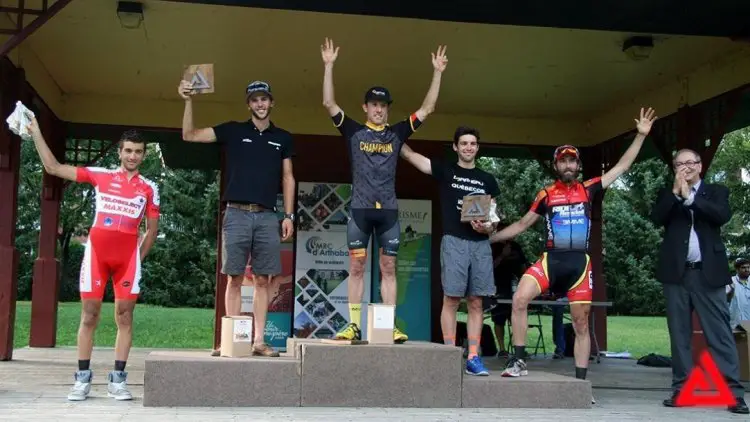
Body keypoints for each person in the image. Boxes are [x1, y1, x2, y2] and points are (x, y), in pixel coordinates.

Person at [489, 108, 657, 389]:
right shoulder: (545, 194)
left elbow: (622, 167)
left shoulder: (589, 188)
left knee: (580, 324)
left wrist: (640, 136)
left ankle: (581, 384)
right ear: (556, 166)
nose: (567, 165)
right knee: (519, 299)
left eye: (572, 161)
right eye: (562, 161)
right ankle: (518, 361)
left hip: (579, 265)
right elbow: (521, 224)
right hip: (550, 260)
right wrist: (489, 240)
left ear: (578, 166)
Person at [320, 37, 447, 343]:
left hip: (388, 211)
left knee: (389, 267)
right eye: (374, 104)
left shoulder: (398, 132)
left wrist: (438, 72)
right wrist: (328, 66)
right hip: (360, 210)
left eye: (383, 105)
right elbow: (329, 104)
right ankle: (352, 325)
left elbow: (428, 109)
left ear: (388, 109)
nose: (379, 110)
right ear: (366, 107)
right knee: (357, 265)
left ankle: (389, 326)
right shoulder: (352, 130)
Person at [26, 119, 159, 402]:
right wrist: (37, 131)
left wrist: (137, 258)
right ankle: (82, 379)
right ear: (119, 153)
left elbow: (152, 231)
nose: (132, 156)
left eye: (138, 151)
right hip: (97, 253)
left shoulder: (150, 188)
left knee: (125, 316)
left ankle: (118, 380)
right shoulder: (101, 176)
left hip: (128, 259)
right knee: (89, 315)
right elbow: (53, 168)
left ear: (144, 155)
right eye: (128, 151)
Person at [178, 78, 296, 357]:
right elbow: (190, 134)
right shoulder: (232, 130)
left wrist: (288, 215)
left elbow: (288, 178)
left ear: (272, 102)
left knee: (263, 280)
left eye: (264, 99)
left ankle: (258, 341)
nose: (260, 104)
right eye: (255, 99)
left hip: (268, 216)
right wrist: (188, 100)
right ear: (249, 104)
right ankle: (231, 341)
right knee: (233, 278)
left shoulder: (283, 138)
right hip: (236, 213)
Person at [650, 149, 748, 414]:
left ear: (700, 166)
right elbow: (657, 217)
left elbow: (720, 215)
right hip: (676, 275)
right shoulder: (666, 194)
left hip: (708, 273)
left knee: (720, 334)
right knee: (679, 335)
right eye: (680, 164)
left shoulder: (716, 191)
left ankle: (734, 394)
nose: (686, 167)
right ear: (674, 168)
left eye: (690, 162)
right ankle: (681, 389)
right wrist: (676, 193)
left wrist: (690, 198)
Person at [400, 126, 500, 375]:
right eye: (464, 143)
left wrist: (487, 225)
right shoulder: (446, 170)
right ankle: (449, 354)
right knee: (452, 299)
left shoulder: (487, 179)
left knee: (477, 301)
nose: (468, 147)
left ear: (477, 147)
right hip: (454, 241)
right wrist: (390, 136)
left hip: (479, 245)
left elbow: (494, 218)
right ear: (455, 147)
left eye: (473, 144)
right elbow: (412, 157)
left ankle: (474, 357)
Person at [488, 237, 528, 359]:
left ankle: (519, 349)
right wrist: (503, 255)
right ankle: (502, 349)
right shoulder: (493, 246)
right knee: (498, 320)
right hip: (498, 287)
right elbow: (489, 267)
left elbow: (523, 265)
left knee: (518, 318)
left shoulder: (515, 246)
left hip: (515, 286)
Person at [728, 257, 750, 329]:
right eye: (743, 268)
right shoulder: (730, 282)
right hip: (735, 322)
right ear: (737, 269)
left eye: (748, 267)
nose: (747, 270)